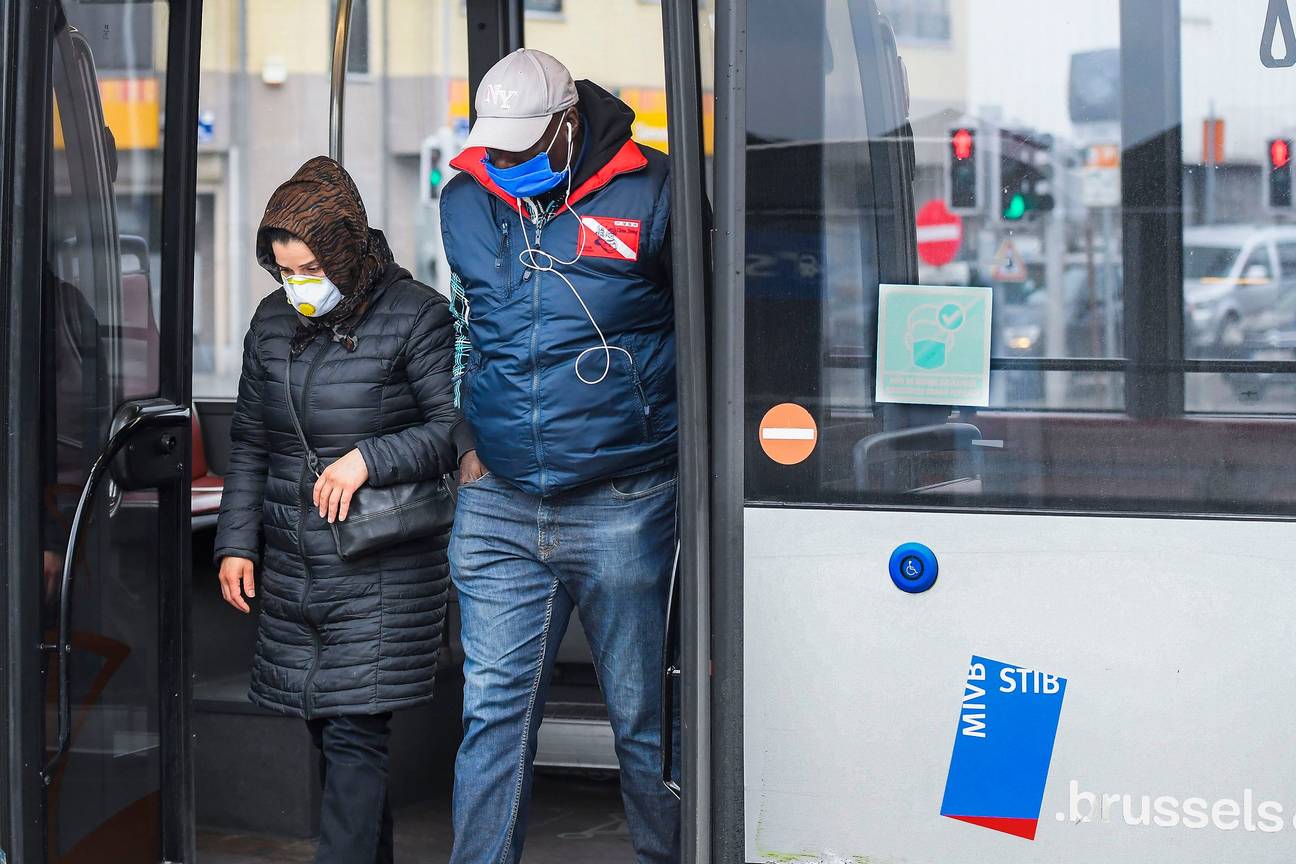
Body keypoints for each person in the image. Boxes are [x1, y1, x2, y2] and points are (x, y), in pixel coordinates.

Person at [440, 49, 680, 863]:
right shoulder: (467, 197)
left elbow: (714, 339)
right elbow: (461, 329)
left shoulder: (656, 189)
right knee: (492, 718)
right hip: (501, 500)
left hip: (623, 499)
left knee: (645, 723)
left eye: (524, 148)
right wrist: (467, 446)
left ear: (570, 122)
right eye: (497, 150)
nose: (508, 165)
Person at [213, 156, 471, 864]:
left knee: (356, 732)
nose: (297, 286)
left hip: (380, 563)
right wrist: (236, 543)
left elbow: (454, 430)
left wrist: (369, 459)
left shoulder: (417, 315)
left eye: (308, 269)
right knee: (327, 730)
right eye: (284, 270)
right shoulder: (271, 325)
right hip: (297, 567)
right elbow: (251, 442)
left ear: (345, 250)